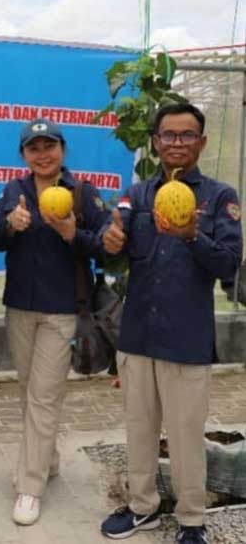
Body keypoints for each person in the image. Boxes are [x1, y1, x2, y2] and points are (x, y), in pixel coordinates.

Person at [99, 103, 242, 544]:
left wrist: (190, 235)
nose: (176, 143)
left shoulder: (220, 198)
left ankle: (192, 520)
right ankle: (142, 506)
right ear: (156, 141)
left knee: (184, 436)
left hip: (186, 338)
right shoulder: (137, 195)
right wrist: (110, 243)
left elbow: (229, 262)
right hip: (139, 333)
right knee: (139, 430)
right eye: (168, 135)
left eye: (186, 135)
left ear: (200, 141)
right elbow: (115, 256)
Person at [0, 118, 109, 525]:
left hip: (63, 311)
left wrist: (73, 232)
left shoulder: (82, 193)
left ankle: (30, 485)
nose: (43, 154)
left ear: (63, 149)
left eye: (50, 145)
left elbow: (106, 248)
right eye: (34, 147)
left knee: (43, 396)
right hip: (20, 308)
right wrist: (10, 225)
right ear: (24, 155)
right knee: (29, 391)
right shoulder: (15, 191)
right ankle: (48, 458)